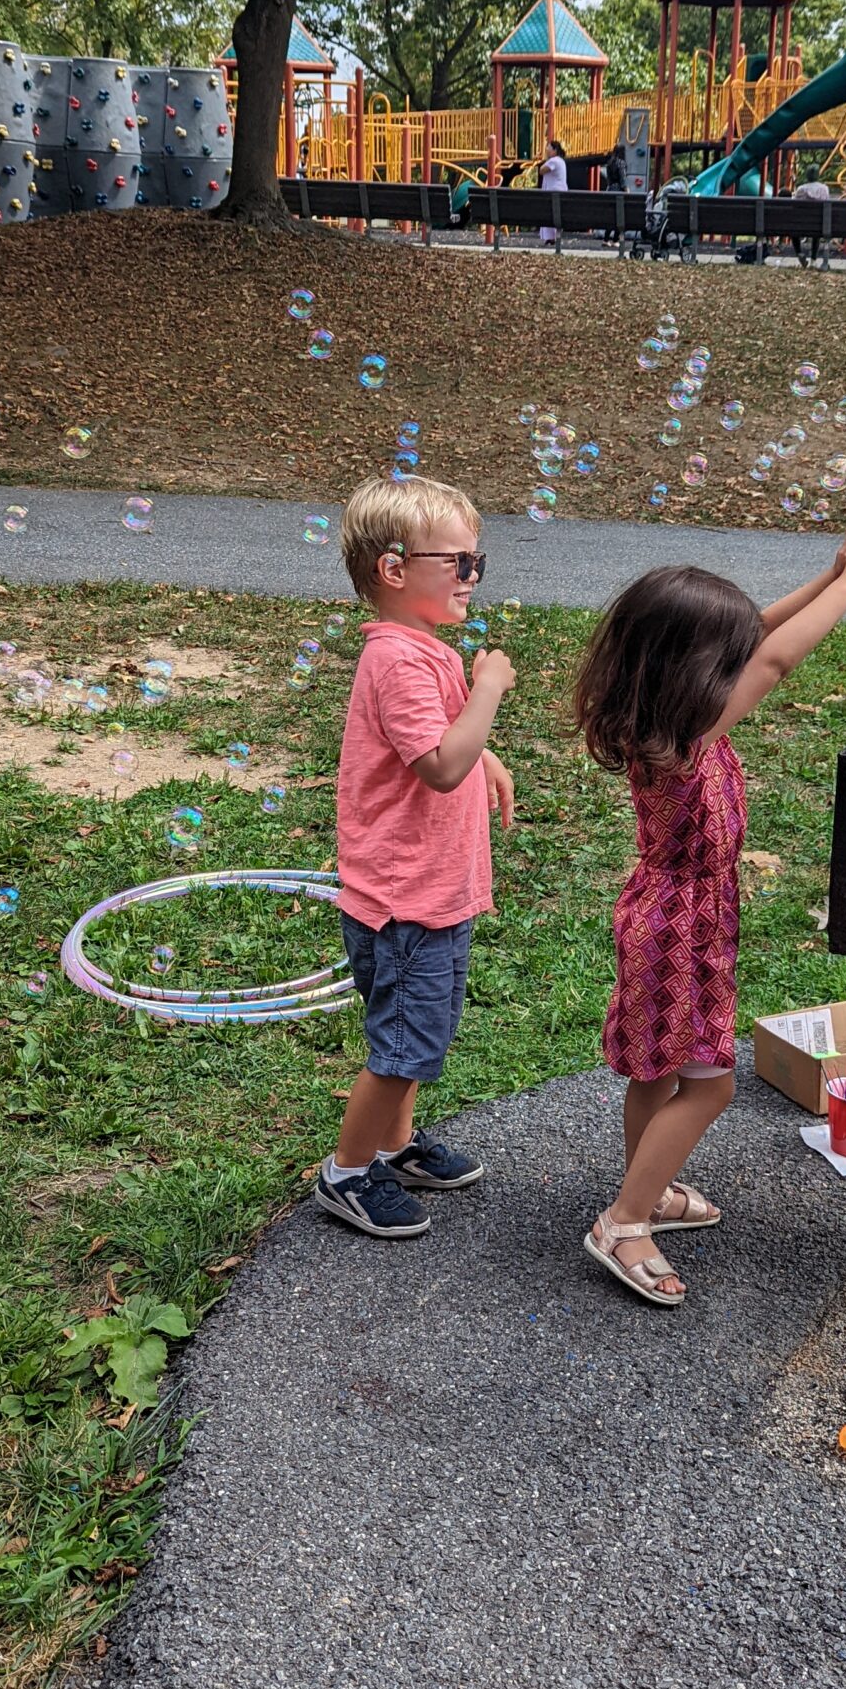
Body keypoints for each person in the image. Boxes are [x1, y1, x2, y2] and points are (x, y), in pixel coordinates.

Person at [572, 523, 846, 1307]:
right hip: (678, 930)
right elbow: (774, 658)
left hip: (672, 917)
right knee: (711, 1086)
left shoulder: (663, 712)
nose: (740, 660)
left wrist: (829, 574)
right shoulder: (684, 735)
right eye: (721, 657)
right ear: (690, 673)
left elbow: (755, 637)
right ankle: (623, 1223)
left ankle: (648, 1191)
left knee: (659, 1072)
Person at [317, 475, 518, 1241]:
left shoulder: (422, 651)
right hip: (405, 904)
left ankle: (392, 1149)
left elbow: (443, 741)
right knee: (400, 1048)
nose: (473, 575)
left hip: (435, 894)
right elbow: (437, 764)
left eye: (476, 562)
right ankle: (346, 1173)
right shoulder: (398, 661)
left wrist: (485, 754)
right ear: (394, 569)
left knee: (418, 1038)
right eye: (459, 562)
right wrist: (489, 689)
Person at [539, 139, 567, 246]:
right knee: (555, 215)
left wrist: (546, 159)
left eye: (548, 147)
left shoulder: (554, 161)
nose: (546, 149)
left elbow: (542, 170)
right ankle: (553, 236)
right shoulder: (561, 161)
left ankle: (550, 237)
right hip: (561, 192)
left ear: (554, 150)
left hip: (553, 193)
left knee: (550, 213)